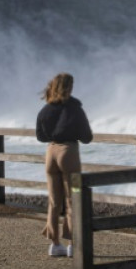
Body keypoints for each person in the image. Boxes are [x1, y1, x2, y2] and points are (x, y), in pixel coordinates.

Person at [35, 73, 93, 257]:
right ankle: (72, 245)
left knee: (54, 201)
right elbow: (87, 137)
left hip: (50, 153)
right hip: (68, 153)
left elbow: (40, 136)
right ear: (69, 87)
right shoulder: (74, 108)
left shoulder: (45, 110)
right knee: (73, 199)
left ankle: (54, 244)